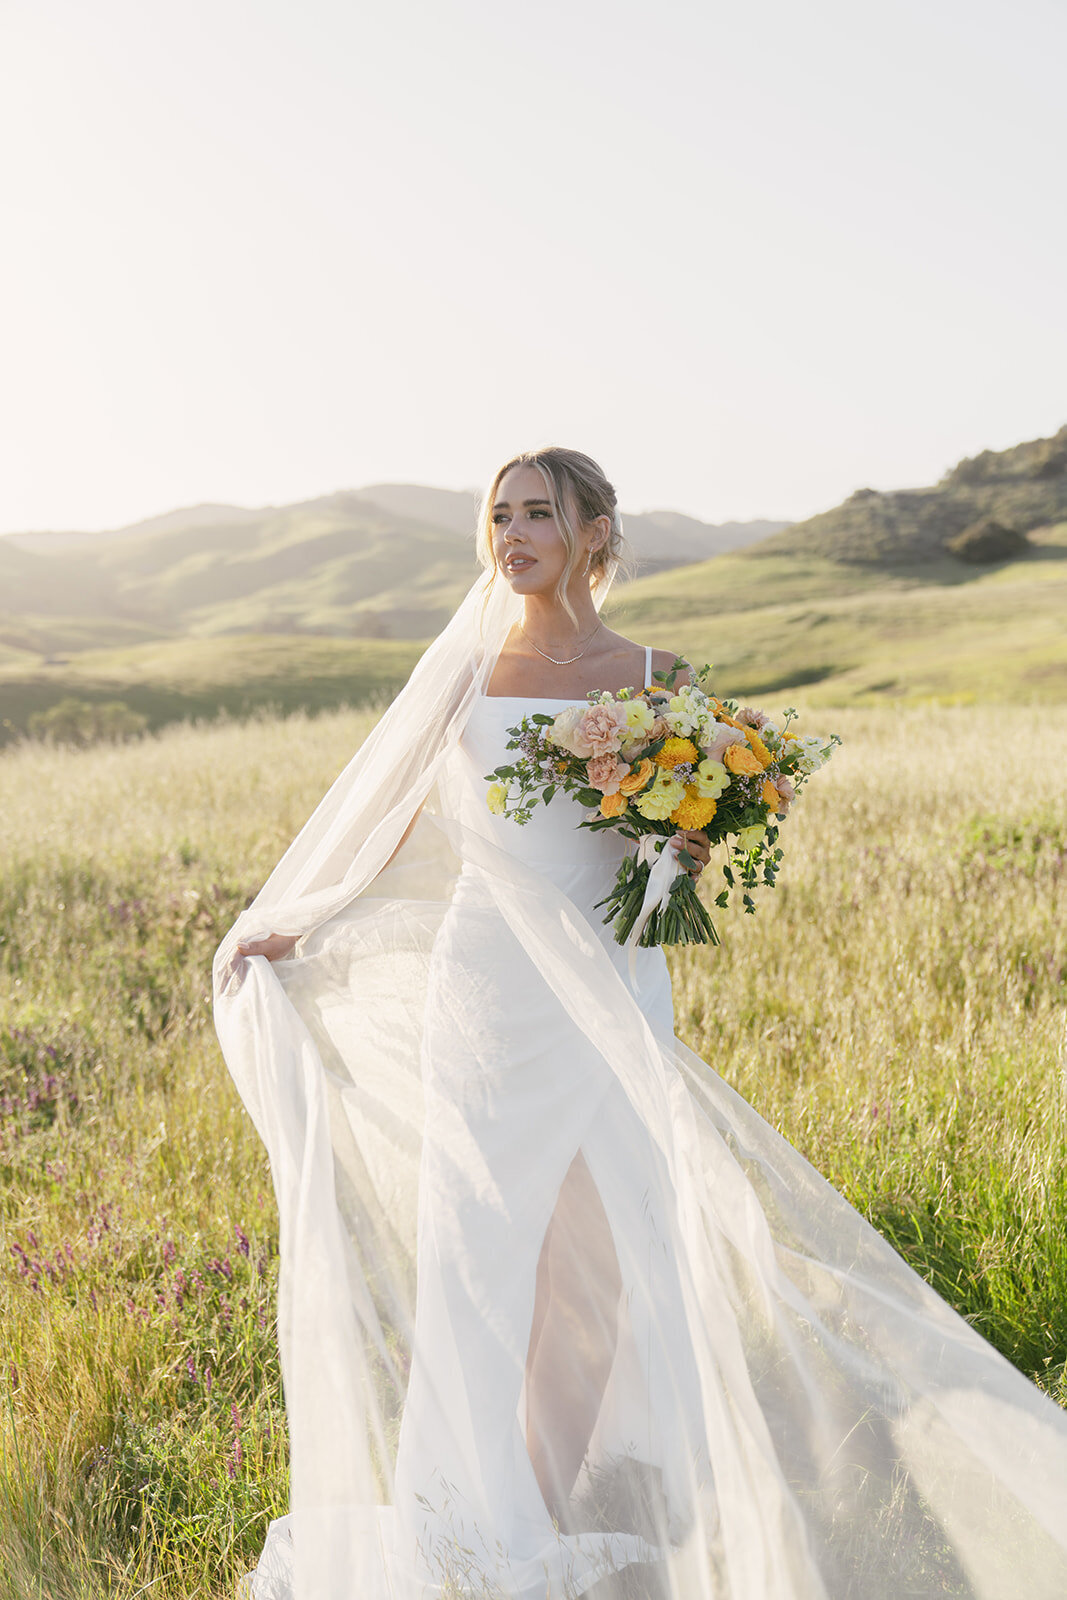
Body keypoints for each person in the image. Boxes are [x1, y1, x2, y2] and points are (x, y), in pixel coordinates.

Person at [214, 448, 1067, 1600]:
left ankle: (542, 1499)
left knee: (601, 1259)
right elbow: (386, 821)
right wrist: (300, 924)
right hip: (490, 985)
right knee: (479, 1250)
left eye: (538, 513)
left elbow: (659, 873)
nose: (511, 534)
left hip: (611, 978)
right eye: (499, 514)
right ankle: (458, 1527)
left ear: (594, 531)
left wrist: (683, 850)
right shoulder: (467, 672)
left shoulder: (658, 676)